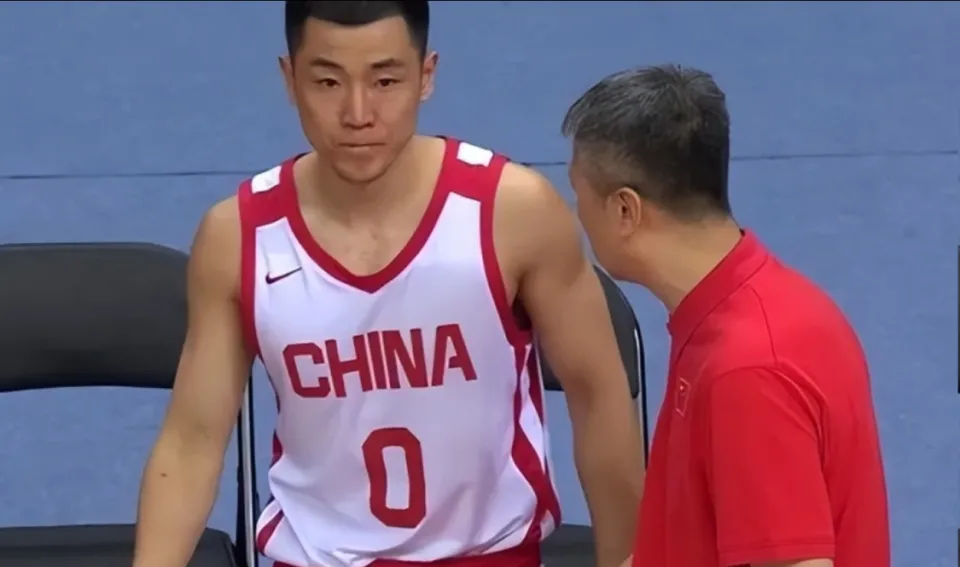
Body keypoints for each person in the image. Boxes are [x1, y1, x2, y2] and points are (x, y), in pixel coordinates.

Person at [132, 2, 645, 567]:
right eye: (328, 82)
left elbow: (598, 393)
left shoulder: (512, 213)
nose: (358, 114)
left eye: (385, 81)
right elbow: (192, 443)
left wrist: (628, 559)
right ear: (289, 79)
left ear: (426, 75)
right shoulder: (238, 238)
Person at [561, 64, 890, 567]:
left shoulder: (748, 369)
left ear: (626, 210)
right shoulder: (756, 304)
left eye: (579, 194)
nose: (576, 215)